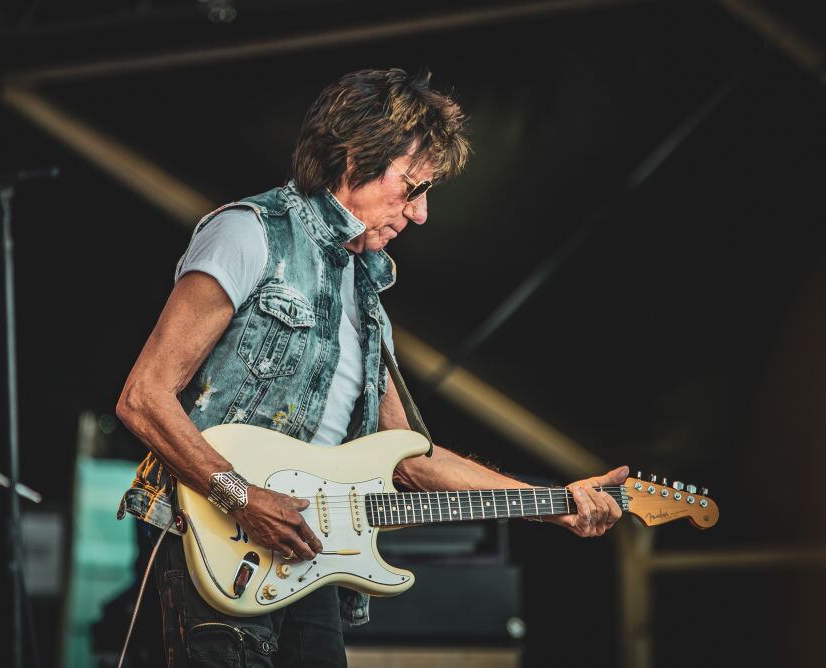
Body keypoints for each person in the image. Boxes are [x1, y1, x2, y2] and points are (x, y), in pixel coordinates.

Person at [116, 68, 628, 667]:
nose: (421, 214)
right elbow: (144, 396)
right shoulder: (251, 233)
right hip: (212, 545)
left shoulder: (365, 296)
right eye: (412, 187)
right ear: (355, 158)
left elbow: (409, 459)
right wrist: (239, 495)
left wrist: (554, 500)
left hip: (307, 565)